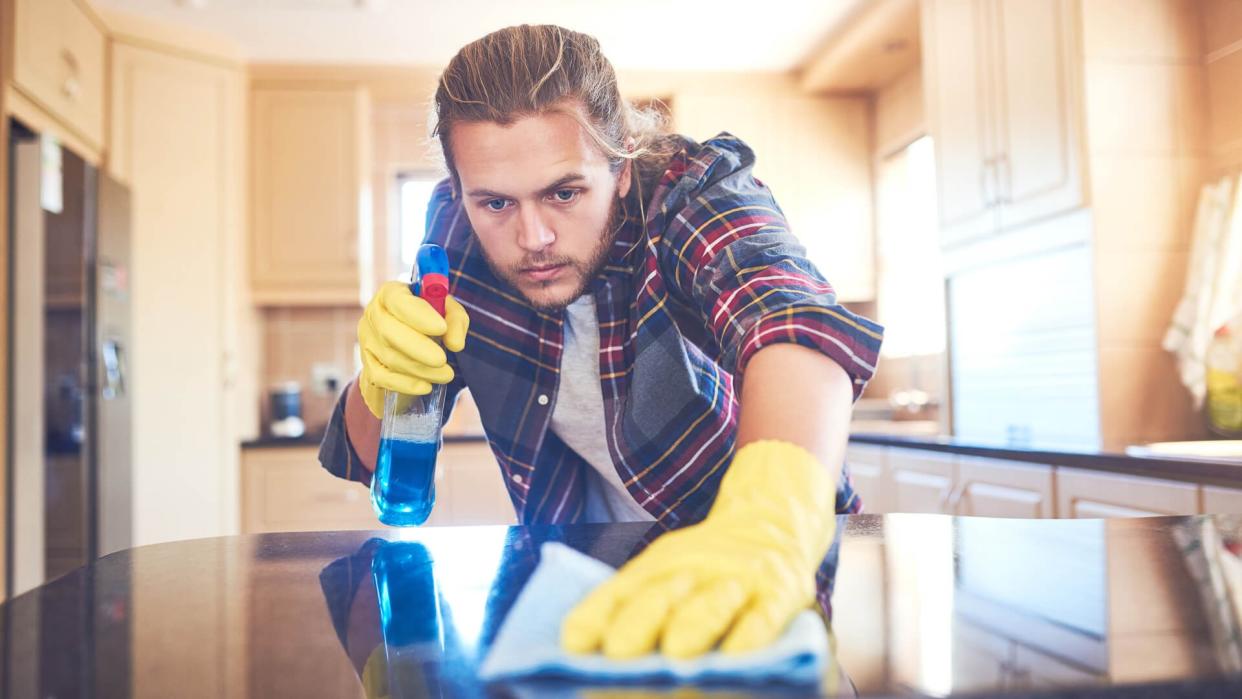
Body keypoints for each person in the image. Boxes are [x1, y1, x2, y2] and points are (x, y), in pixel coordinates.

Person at [319, 24, 882, 661]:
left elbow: (789, 318)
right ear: (458, 186)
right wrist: (382, 378)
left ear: (619, 166)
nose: (533, 236)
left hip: (741, 576)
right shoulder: (453, 230)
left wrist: (767, 522)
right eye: (495, 203)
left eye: (564, 192)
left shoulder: (692, 192)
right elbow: (363, 459)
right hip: (565, 596)